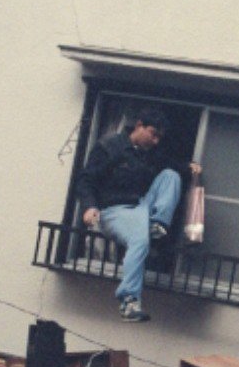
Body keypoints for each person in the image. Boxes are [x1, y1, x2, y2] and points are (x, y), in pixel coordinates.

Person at [76, 107, 202, 322]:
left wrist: (188, 167)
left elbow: (170, 164)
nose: (155, 141)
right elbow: (86, 180)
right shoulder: (109, 147)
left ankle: (157, 225)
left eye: (159, 138)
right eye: (153, 134)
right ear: (139, 125)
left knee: (171, 175)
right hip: (115, 210)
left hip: (142, 206)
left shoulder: (152, 153)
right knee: (139, 240)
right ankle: (129, 301)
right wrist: (89, 207)